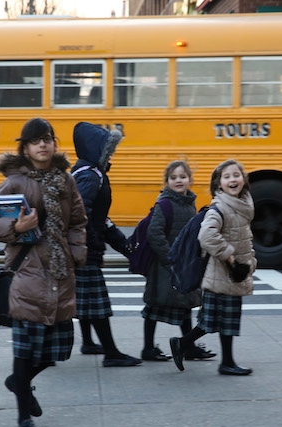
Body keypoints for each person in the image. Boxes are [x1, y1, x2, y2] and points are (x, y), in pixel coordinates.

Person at [0, 118, 87, 427]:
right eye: (35, 140)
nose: (42, 145)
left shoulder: (66, 181)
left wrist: (77, 253)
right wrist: (16, 229)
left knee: (55, 352)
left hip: (60, 274)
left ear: (54, 144)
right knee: (25, 354)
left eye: (47, 139)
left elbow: (78, 221)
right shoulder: (15, 182)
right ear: (25, 148)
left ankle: (18, 382)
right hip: (28, 276)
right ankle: (24, 418)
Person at [169, 159, 257, 375]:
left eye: (236, 175)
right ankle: (225, 362)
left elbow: (244, 239)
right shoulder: (219, 208)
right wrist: (230, 259)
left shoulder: (243, 205)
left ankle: (183, 344)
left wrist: (250, 263)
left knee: (213, 321)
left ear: (244, 180)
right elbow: (206, 236)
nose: (232, 180)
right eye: (226, 177)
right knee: (219, 321)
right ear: (219, 185)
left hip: (234, 274)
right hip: (222, 274)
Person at [71, 121, 142, 367]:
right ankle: (111, 352)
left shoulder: (84, 171)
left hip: (82, 246)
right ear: (95, 149)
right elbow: (84, 214)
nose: (111, 153)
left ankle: (89, 342)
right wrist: (92, 243)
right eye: (107, 149)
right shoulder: (92, 176)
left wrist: (124, 246)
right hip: (85, 249)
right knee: (97, 303)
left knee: (85, 300)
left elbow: (101, 219)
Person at [141, 160, 216, 362]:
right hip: (165, 266)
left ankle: (187, 346)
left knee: (184, 305)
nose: (178, 180)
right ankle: (148, 348)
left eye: (182, 177)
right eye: (173, 178)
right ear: (167, 181)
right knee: (154, 306)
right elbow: (154, 233)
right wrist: (170, 259)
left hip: (181, 265)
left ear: (190, 180)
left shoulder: (189, 204)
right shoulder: (165, 203)